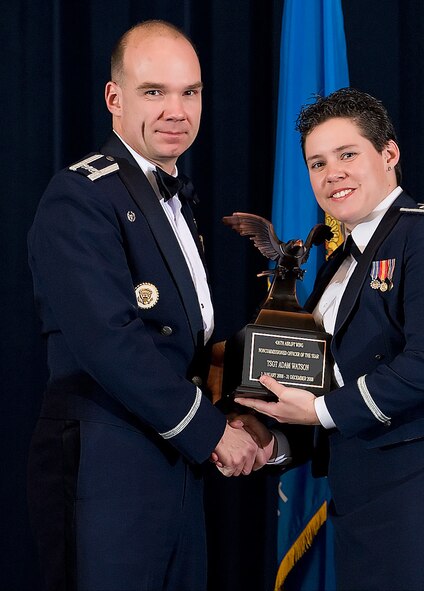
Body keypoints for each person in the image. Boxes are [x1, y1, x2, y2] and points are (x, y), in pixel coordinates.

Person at [27, 20, 266, 591]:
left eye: (190, 92)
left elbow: (186, 343)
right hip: (107, 465)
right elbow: (111, 340)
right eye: (154, 91)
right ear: (115, 98)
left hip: (172, 460)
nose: (175, 111)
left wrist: (252, 399)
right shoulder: (80, 196)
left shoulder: (177, 203)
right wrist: (211, 431)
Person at [236, 87, 424, 590]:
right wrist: (269, 436)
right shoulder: (337, 263)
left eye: (347, 155)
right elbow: (325, 380)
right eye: (317, 163)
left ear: (389, 154)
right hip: (361, 499)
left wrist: (318, 412)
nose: (332, 173)